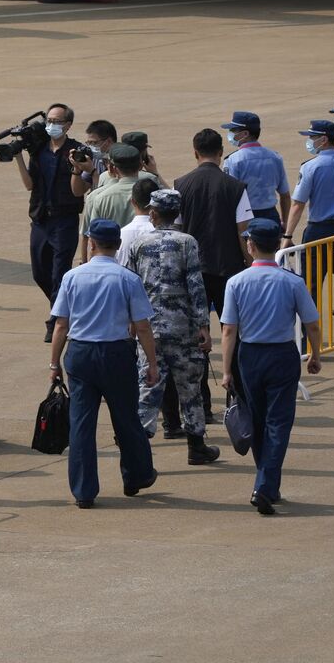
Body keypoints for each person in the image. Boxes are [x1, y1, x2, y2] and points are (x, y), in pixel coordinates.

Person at [48, 220, 161, 508]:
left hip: (81, 353)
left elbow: (61, 324)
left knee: (82, 424)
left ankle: (84, 491)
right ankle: (137, 475)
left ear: (91, 243)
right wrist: (152, 362)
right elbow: (143, 327)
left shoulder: (73, 277)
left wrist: (54, 364)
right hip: (116, 354)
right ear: (118, 245)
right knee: (126, 418)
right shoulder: (127, 279)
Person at [220, 221, 323, 514]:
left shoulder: (236, 282)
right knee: (278, 422)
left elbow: (229, 330)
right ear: (278, 245)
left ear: (250, 246)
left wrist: (227, 370)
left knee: (256, 419)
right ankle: (266, 484)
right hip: (282, 355)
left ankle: (266, 482)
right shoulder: (292, 282)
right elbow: (312, 323)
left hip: (250, 356)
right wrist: (315, 354)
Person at [121, 190, 219, 465]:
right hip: (183, 328)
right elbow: (196, 286)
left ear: (153, 213)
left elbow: (131, 284)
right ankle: (196, 446)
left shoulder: (138, 243)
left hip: (148, 329)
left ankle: (138, 450)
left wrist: (130, 320)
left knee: (148, 386)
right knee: (190, 388)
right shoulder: (187, 242)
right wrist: (203, 325)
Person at [173, 129, 253, 432]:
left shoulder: (181, 185)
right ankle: (238, 397)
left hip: (194, 273)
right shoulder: (234, 187)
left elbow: (179, 232)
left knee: (197, 342)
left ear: (195, 152)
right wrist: (249, 265)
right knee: (234, 335)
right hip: (229, 271)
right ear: (221, 152)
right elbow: (243, 231)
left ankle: (202, 405)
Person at [18, 104, 82, 341]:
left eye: (57, 121)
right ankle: (64, 309)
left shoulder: (75, 151)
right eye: (50, 120)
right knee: (39, 273)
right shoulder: (39, 151)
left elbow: (80, 189)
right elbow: (29, 185)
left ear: (68, 125)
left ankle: (55, 322)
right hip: (40, 219)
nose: (52, 125)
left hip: (64, 220)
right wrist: (18, 157)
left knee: (59, 273)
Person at [77, 143, 145, 264]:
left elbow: (91, 237)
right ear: (140, 165)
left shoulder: (98, 197)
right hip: (146, 263)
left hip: (111, 263)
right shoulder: (152, 192)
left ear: (112, 168)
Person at [222, 112, 291, 223]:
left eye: (234, 131)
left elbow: (229, 196)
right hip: (271, 216)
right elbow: (285, 195)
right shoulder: (275, 157)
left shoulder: (233, 160)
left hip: (245, 217)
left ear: (245, 134)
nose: (230, 134)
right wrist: (284, 222)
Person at [70, 119, 120, 200]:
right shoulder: (95, 160)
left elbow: (106, 196)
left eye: (94, 143)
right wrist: (77, 169)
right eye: (88, 143)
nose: (90, 147)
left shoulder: (122, 162)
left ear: (109, 141)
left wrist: (93, 172)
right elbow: (78, 191)